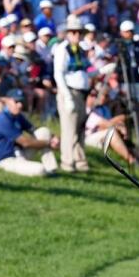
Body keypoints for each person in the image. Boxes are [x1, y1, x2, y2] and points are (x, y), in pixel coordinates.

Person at [0, 89, 59, 176]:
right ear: (7, 101)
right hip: (5, 159)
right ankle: (45, 171)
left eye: (21, 101)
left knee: (44, 131)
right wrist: (48, 143)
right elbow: (25, 143)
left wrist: (53, 137)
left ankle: (51, 169)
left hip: (19, 153)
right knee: (40, 169)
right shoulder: (2, 119)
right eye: (16, 101)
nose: (20, 105)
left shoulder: (17, 115)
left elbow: (33, 130)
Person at [51, 16, 91, 172]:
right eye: (73, 32)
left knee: (80, 128)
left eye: (79, 33)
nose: (77, 35)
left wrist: (101, 71)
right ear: (68, 33)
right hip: (69, 91)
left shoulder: (80, 50)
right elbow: (58, 74)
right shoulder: (63, 49)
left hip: (81, 92)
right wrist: (67, 96)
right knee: (69, 129)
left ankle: (80, 160)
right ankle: (67, 162)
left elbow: (83, 72)